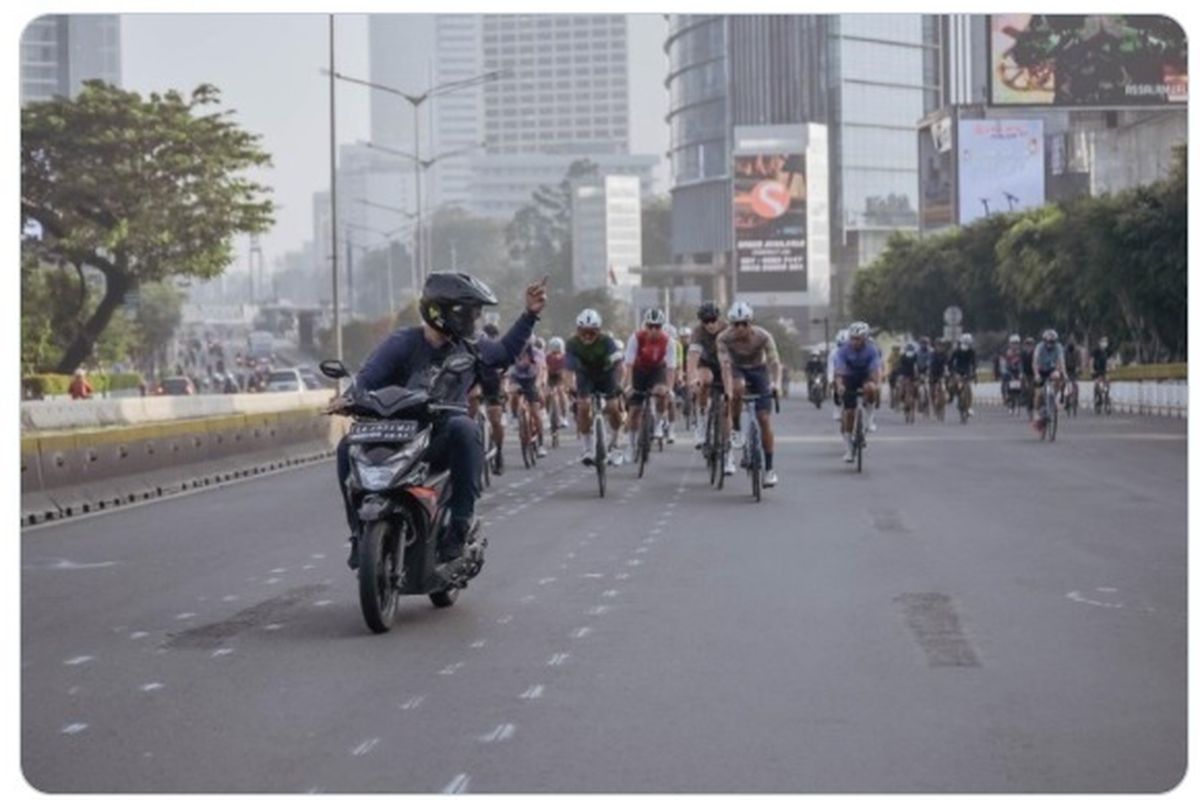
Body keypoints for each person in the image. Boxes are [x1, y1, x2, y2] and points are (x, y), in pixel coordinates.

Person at [330, 271, 547, 576]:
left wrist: (529, 315)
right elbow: (367, 379)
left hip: (439, 438)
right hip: (394, 436)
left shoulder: (472, 345)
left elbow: (503, 354)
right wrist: (348, 398)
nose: (475, 320)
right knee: (346, 447)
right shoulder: (401, 343)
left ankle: (459, 526)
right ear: (445, 312)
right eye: (470, 312)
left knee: (466, 427)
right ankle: (357, 532)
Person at [717, 301, 782, 487]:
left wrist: (776, 384)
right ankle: (736, 428)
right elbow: (725, 366)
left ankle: (769, 469)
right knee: (737, 388)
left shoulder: (763, 336)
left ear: (750, 323)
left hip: (759, 370)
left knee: (764, 419)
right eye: (735, 324)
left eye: (744, 323)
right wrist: (728, 391)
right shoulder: (723, 338)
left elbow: (775, 362)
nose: (739, 328)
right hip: (736, 369)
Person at [564, 309, 626, 466]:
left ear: (599, 331)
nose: (587, 336)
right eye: (583, 332)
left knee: (613, 407)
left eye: (592, 333)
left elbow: (620, 366)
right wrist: (570, 387)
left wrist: (619, 385)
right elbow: (568, 371)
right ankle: (587, 448)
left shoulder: (607, 342)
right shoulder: (572, 344)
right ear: (578, 330)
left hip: (606, 375)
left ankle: (616, 444)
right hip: (586, 376)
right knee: (583, 406)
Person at [624, 308, 677, 453]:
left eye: (657, 327)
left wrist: (670, 389)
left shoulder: (668, 341)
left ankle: (659, 424)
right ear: (645, 326)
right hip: (638, 371)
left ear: (662, 327)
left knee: (661, 393)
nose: (654, 330)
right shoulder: (635, 338)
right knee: (635, 410)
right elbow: (628, 364)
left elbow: (671, 368)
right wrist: (629, 384)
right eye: (650, 326)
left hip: (656, 370)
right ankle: (631, 444)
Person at [833, 321, 883, 461]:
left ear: (865, 338)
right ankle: (849, 450)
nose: (854, 341)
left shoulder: (872, 350)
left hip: (865, 376)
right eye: (852, 338)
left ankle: (869, 419)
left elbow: (876, 371)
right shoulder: (843, 350)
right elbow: (839, 372)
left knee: (871, 388)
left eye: (858, 339)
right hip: (849, 377)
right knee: (849, 413)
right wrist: (840, 386)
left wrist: (877, 385)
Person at [475, 323, 508, 475]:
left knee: (495, 418)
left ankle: (499, 452)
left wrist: (504, 390)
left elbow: (503, 376)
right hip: (474, 388)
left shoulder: (496, 354)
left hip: (492, 387)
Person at [507, 340, 547, 458]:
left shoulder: (535, 353)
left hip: (531, 380)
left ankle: (541, 444)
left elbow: (540, 371)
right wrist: (507, 387)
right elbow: (507, 373)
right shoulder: (511, 350)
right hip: (517, 379)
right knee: (514, 395)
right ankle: (515, 417)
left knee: (535, 413)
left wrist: (539, 384)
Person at [1031, 328, 1067, 431]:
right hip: (1041, 370)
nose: (1050, 344)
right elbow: (1034, 362)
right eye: (1048, 342)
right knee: (1038, 393)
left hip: (1051, 370)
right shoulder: (1039, 347)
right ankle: (1036, 412)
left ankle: (1054, 397)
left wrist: (1064, 373)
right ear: (1044, 341)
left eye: (1052, 342)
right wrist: (1036, 374)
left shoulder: (1059, 347)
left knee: (1058, 377)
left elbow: (1061, 361)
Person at [544, 336, 570, 434]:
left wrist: (567, 384)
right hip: (549, 377)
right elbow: (544, 369)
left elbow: (567, 371)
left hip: (560, 378)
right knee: (546, 394)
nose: (555, 354)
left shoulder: (565, 357)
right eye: (554, 351)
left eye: (558, 351)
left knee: (561, 393)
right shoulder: (546, 357)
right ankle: (545, 416)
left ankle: (563, 416)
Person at [948, 333, 978, 416]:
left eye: (968, 343)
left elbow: (974, 363)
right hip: (957, 372)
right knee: (952, 385)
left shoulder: (972, 352)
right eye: (965, 343)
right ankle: (951, 397)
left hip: (967, 372)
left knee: (969, 389)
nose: (966, 345)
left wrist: (974, 372)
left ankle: (969, 407)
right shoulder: (956, 351)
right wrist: (952, 372)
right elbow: (950, 362)